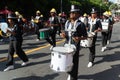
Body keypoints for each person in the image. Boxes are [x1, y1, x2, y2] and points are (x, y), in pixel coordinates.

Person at [60, 5, 87, 80]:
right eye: (71, 12)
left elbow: (85, 36)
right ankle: (70, 74)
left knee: (74, 63)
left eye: (74, 12)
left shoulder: (81, 24)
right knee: (67, 62)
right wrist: (64, 35)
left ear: (78, 14)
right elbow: (66, 35)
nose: (71, 14)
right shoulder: (67, 23)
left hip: (75, 46)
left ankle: (74, 77)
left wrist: (79, 38)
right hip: (66, 45)